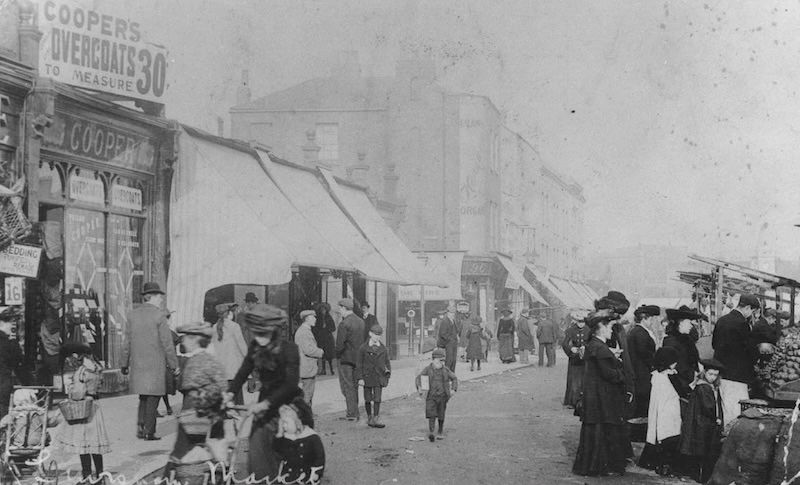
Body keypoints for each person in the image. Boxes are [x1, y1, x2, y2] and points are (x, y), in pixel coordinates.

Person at [227, 304, 301, 482]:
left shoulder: (289, 349)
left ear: (273, 331)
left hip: (289, 404)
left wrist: (264, 404)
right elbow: (243, 371)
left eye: (262, 334)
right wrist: (229, 394)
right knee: (257, 452)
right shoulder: (255, 346)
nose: (258, 338)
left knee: (289, 456)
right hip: (264, 406)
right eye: (255, 333)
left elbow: (290, 385)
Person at [163, 322, 228, 480]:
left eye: (185, 338)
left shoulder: (202, 360)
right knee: (196, 456)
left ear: (195, 340)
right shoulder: (201, 359)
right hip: (197, 413)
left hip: (197, 415)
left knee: (183, 455)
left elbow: (221, 386)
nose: (183, 341)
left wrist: (205, 404)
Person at [572, 309, 629, 478]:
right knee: (601, 430)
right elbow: (609, 374)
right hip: (602, 397)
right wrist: (621, 372)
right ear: (601, 328)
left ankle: (592, 465)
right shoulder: (600, 348)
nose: (612, 330)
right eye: (609, 326)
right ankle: (598, 467)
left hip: (595, 396)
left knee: (595, 431)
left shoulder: (595, 346)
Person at [121, 282, 178, 441]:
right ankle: (149, 431)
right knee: (153, 397)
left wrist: (124, 363)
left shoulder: (132, 314)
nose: (161, 299)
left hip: (138, 365)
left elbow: (127, 342)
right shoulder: (159, 315)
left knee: (143, 397)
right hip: (155, 365)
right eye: (159, 296)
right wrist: (174, 365)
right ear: (151, 297)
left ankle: (140, 427)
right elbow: (167, 344)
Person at [712, 293, 762, 426]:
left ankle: (726, 439)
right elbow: (750, 351)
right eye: (752, 311)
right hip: (737, 376)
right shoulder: (742, 324)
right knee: (737, 413)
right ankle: (732, 442)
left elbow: (714, 344)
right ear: (748, 308)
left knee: (725, 409)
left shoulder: (722, 320)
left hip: (721, 373)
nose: (750, 314)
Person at [680, 358, 725, 484]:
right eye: (710, 374)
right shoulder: (704, 387)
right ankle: (703, 477)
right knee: (706, 451)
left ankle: (699, 476)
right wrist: (716, 418)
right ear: (704, 373)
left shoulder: (702, 385)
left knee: (700, 450)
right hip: (704, 423)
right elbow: (708, 406)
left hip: (700, 421)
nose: (712, 377)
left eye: (715, 375)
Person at [638, 346, 682, 476]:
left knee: (656, 434)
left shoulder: (656, 375)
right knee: (669, 434)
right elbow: (680, 391)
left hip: (659, 409)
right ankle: (665, 464)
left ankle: (651, 461)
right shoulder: (668, 377)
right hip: (668, 410)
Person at [273, 397, 325, 483]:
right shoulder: (286, 437)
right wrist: (279, 433)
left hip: (306, 477)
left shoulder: (312, 437)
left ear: (298, 422)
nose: (283, 426)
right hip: (288, 476)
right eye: (282, 423)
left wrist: (317, 473)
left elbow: (319, 458)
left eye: (286, 423)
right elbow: (277, 451)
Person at [415, 348, 458, 442]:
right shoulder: (427, 369)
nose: (442, 363)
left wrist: (453, 389)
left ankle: (440, 431)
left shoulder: (445, 370)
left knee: (441, 414)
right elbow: (419, 378)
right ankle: (431, 432)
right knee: (431, 414)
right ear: (434, 360)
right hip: (431, 396)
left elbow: (454, 378)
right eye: (440, 360)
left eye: (443, 361)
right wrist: (419, 387)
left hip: (442, 396)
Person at [210, 303, 248, 405]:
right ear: (229, 313)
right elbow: (242, 346)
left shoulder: (214, 328)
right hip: (233, 366)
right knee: (237, 394)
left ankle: (225, 412)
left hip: (221, 367)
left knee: (224, 393)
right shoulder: (234, 326)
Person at [627, 305, 661, 422]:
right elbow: (645, 353)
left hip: (639, 371)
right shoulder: (640, 333)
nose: (652, 322)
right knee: (643, 401)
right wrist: (655, 364)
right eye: (651, 319)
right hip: (642, 372)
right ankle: (639, 430)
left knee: (641, 401)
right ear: (644, 319)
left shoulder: (636, 331)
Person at [662, 306, 702, 399]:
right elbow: (676, 368)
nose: (691, 326)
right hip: (678, 388)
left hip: (691, 383)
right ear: (680, 323)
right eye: (689, 322)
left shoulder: (687, 339)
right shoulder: (670, 342)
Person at [355, 324, 391, 428]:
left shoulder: (383, 349)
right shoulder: (363, 348)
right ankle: (369, 417)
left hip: (379, 376)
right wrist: (360, 378)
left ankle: (376, 417)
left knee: (377, 398)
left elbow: (387, 363)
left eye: (379, 335)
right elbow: (359, 364)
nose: (377, 337)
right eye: (375, 334)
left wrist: (387, 376)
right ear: (370, 334)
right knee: (367, 398)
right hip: (367, 377)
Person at [335, 298, 364, 421]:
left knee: (347, 386)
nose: (339, 311)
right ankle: (354, 411)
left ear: (343, 308)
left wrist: (336, 355)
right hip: (357, 359)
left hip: (345, 359)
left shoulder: (344, 323)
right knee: (355, 385)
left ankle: (352, 413)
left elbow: (339, 345)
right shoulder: (360, 321)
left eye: (340, 308)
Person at [295, 310, 324, 406]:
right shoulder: (304, 332)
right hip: (307, 366)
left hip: (306, 366)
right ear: (306, 319)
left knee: (308, 391)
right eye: (313, 317)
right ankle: (305, 415)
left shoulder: (305, 330)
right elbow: (308, 350)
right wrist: (320, 351)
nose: (315, 319)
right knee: (307, 392)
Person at [0, 313, 26, 420]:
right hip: (3, 381)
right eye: (10, 324)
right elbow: (17, 361)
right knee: (3, 410)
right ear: (2, 323)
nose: (12, 327)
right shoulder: (8, 342)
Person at [562, 312, 590, 408]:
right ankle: (573, 401)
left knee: (585, 379)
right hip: (574, 358)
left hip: (586, 358)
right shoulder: (570, 330)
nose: (581, 324)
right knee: (574, 380)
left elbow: (593, 342)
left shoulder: (589, 330)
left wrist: (586, 348)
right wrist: (571, 349)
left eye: (583, 322)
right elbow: (565, 343)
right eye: (579, 322)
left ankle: (585, 401)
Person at [312, 303, 336, 376]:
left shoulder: (329, 318)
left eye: (324, 310)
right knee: (322, 354)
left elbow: (333, 328)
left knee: (329, 354)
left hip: (328, 339)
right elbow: (314, 329)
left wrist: (326, 328)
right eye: (321, 310)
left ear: (326, 310)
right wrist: (319, 330)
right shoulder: (318, 318)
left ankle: (331, 369)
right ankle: (323, 370)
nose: (323, 311)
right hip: (321, 338)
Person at [436, 304, 460, 371]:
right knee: (449, 360)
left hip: (454, 342)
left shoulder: (453, 320)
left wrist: (457, 336)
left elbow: (456, 330)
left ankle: (452, 374)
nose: (453, 314)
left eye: (453, 313)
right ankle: (446, 375)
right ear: (447, 313)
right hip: (448, 343)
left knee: (454, 360)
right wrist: (450, 339)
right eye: (451, 313)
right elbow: (442, 333)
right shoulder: (445, 321)